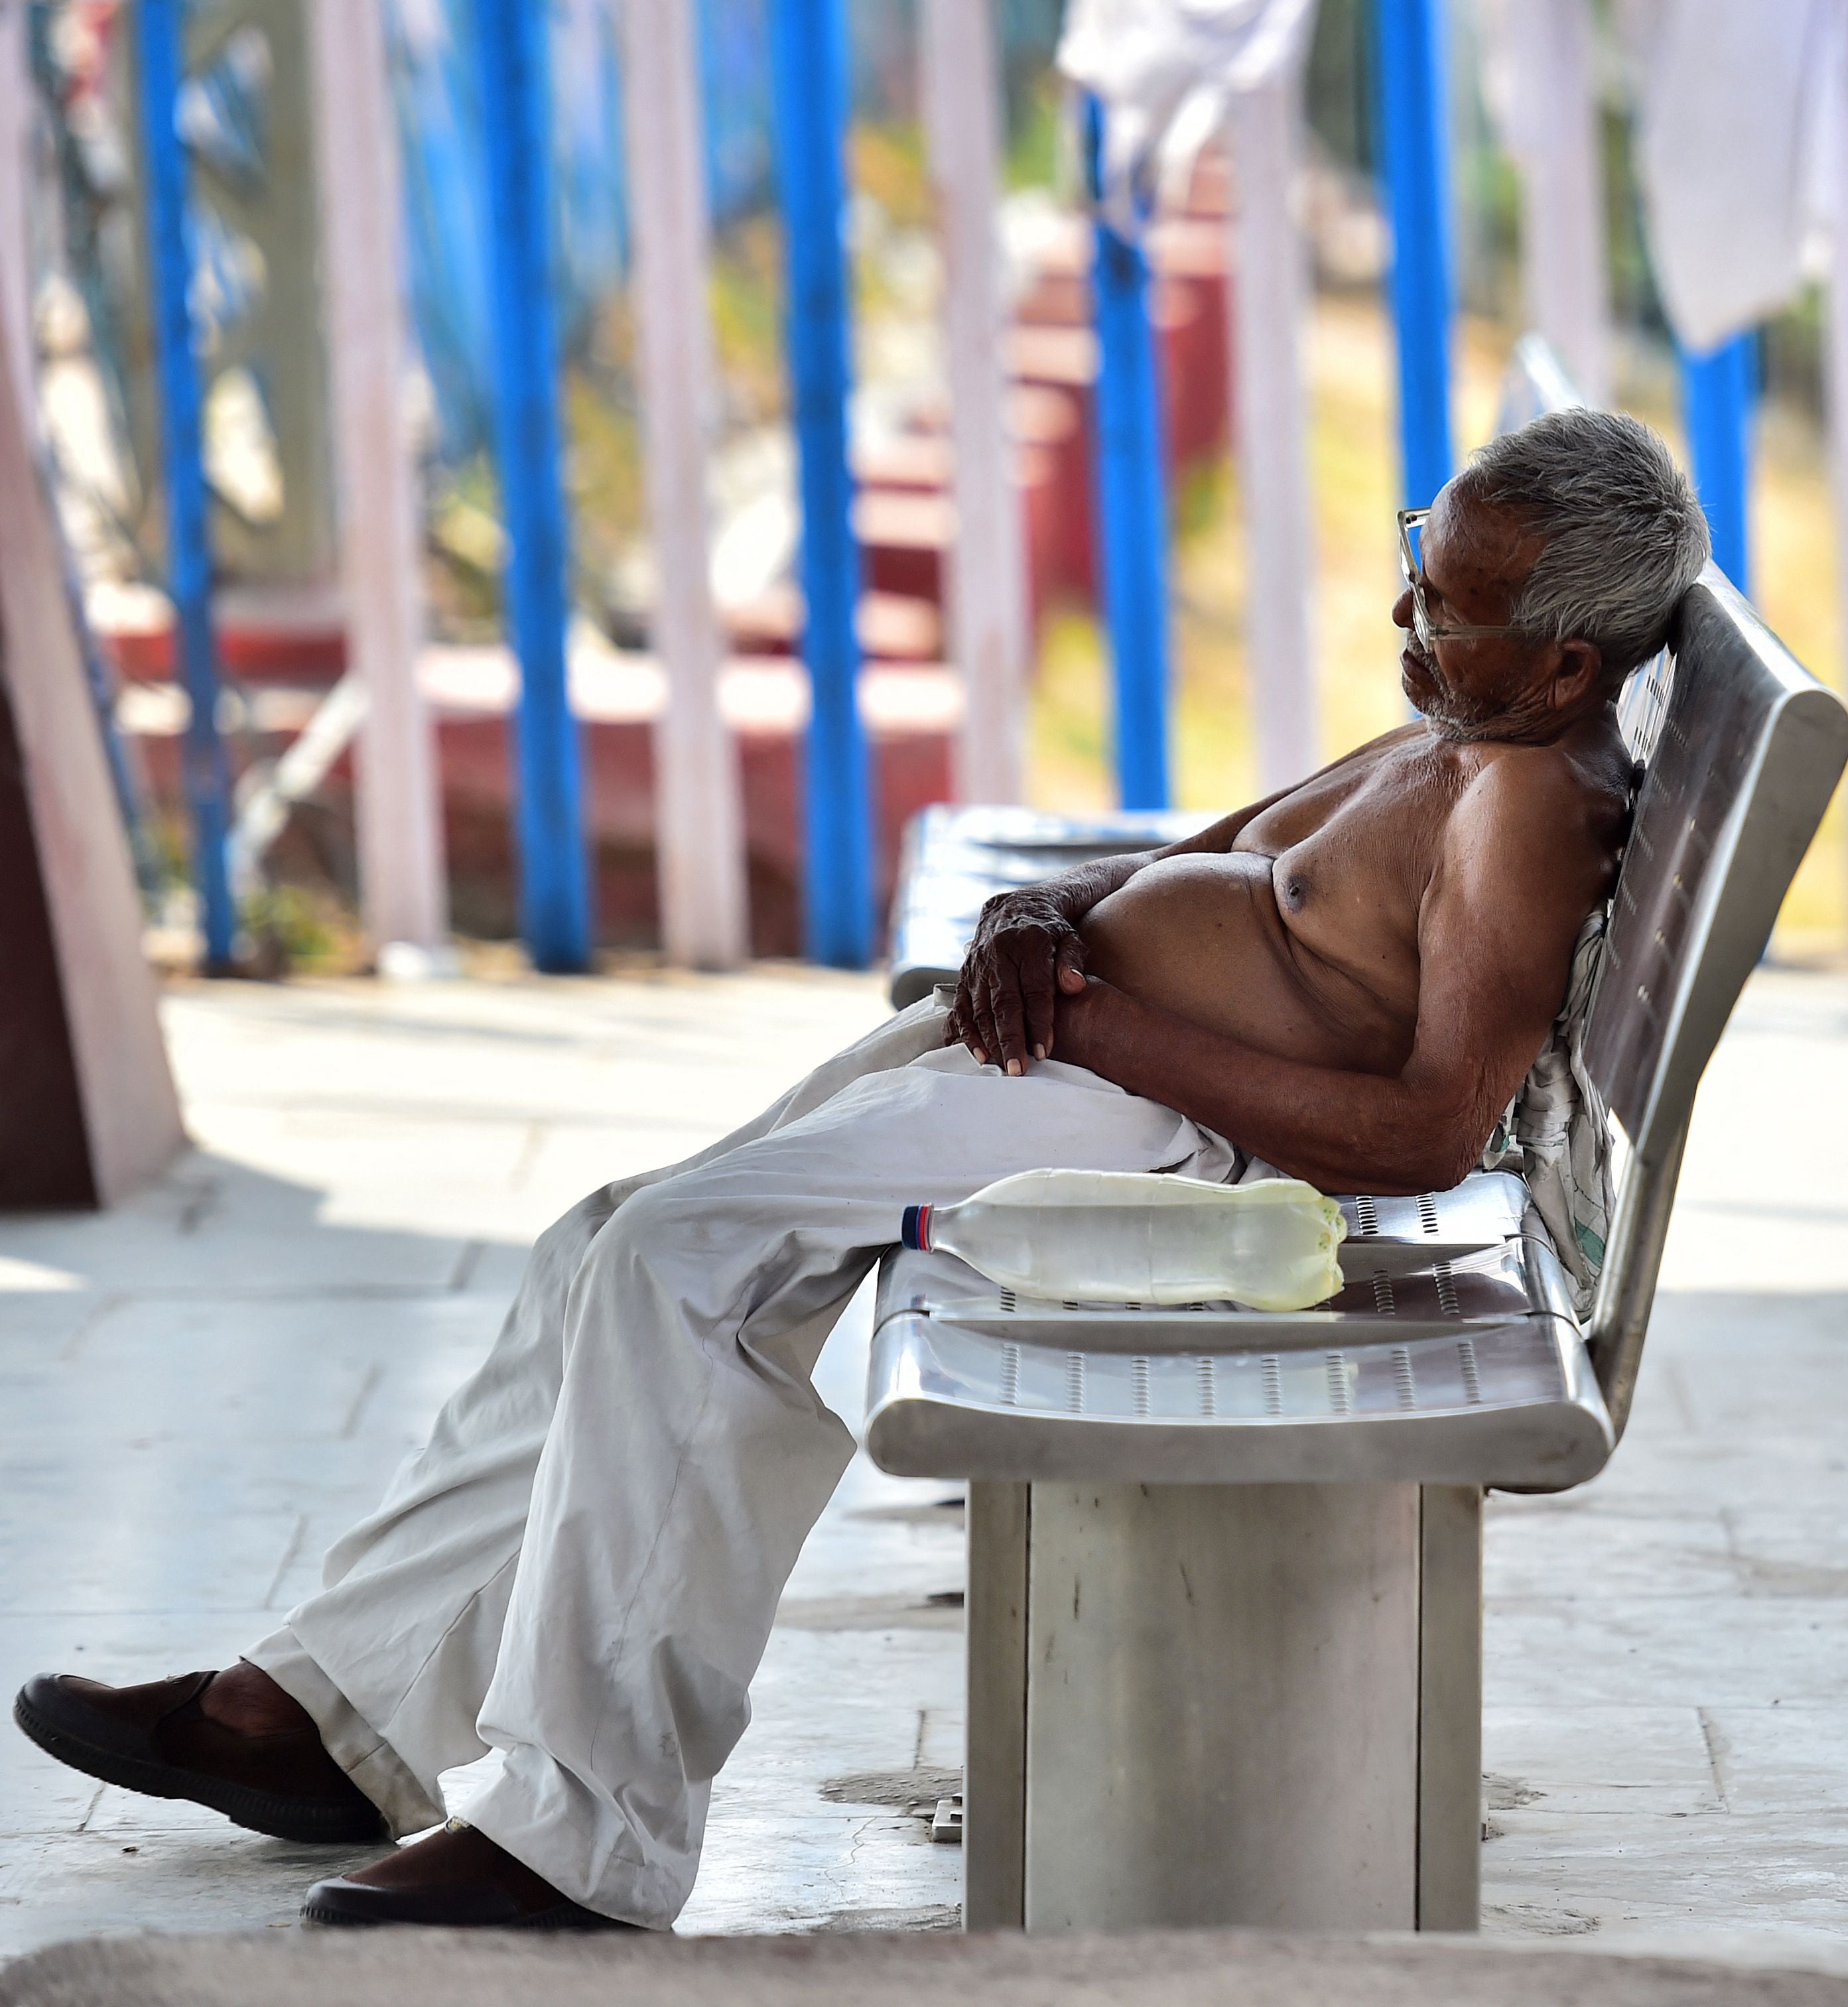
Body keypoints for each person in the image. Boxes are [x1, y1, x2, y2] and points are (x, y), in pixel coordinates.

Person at [13, 409, 1711, 1931]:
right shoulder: (1467, 720)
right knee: (607, 1239)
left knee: (684, 1267)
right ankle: (326, 1717)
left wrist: (1104, 1026)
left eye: (1450, 601)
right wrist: (1048, 917)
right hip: (1074, 1050)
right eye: (1420, 559)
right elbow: (1230, 852)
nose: (1407, 614)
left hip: (1163, 1139)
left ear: (1568, 665)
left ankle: (574, 1836)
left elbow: (1423, 1126)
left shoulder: (1524, 805)